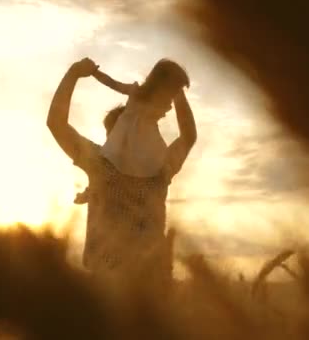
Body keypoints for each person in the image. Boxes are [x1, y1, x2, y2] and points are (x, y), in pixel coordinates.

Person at [46, 57, 197, 280]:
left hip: (122, 285)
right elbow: (188, 136)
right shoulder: (160, 169)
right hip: (143, 284)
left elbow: (56, 123)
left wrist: (75, 72)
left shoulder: (103, 164)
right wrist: (175, 91)